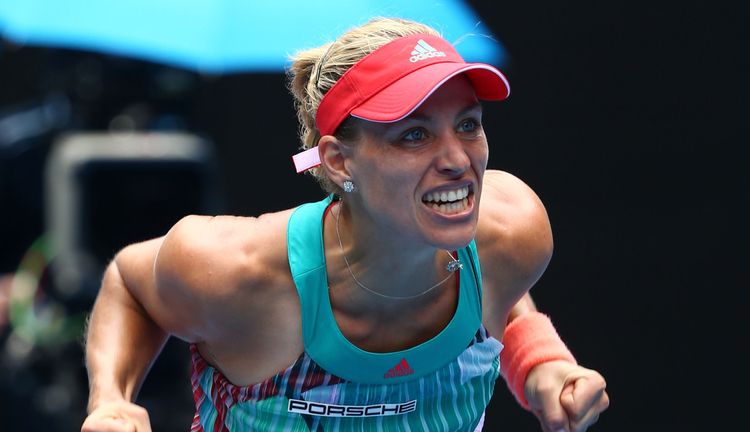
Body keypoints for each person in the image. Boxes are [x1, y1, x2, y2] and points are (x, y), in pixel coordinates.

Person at [80, 17, 608, 432]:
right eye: (414, 135)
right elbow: (130, 282)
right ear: (336, 161)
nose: (457, 159)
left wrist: (542, 363)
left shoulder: (512, 232)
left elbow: (494, 281)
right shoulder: (236, 273)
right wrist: (111, 400)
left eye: (467, 125)